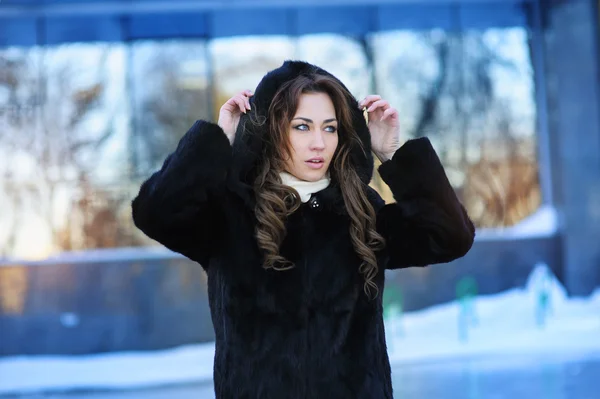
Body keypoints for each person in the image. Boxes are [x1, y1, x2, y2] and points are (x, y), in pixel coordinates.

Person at [132, 60, 475, 398]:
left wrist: (393, 154)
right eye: (302, 126)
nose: (318, 143)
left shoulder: (359, 209)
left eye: (330, 128)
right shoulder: (231, 211)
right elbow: (155, 212)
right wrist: (217, 139)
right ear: (272, 130)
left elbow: (449, 237)